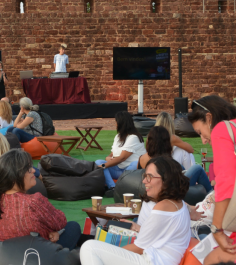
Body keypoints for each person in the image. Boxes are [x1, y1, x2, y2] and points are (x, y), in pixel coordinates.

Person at [80, 156, 191, 265]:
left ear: (166, 180)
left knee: (89, 247)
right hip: (155, 259)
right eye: (145, 176)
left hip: (151, 261)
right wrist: (139, 228)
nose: (144, 181)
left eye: (149, 176)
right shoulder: (178, 203)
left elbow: (139, 247)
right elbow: (163, 236)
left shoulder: (163, 206)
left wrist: (112, 252)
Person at [0, 149, 81, 250]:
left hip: (5, 256)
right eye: (28, 169)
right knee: (73, 227)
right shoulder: (33, 201)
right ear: (14, 177)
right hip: (37, 255)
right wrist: (51, 231)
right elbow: (60, 222)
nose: (33, 170)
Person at [187, 95, 236, 264]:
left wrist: (216, 229)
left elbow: (227, 181)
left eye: (200, 132)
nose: (204, 140)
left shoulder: (222, 129)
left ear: (209, 118)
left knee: (210, 259)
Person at [126, 126, 212, 192]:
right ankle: (212, 195)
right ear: (166, 143)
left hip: (151, 189)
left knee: (182, 168)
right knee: (197, 168)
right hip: (171, 192)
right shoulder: (168, 162)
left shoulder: (141, 158)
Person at [95, 111, 146, 196]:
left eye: (116, 122)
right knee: (98, 162)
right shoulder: (118, 136)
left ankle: (122, 186)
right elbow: (111, 154)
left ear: (122, 123)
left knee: (135, 163)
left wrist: (105, 165)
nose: (116, 125)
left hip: (131, 170)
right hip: (118, 169)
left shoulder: (134, 137)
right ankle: (113, 187)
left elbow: (122, 158)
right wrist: (107, 159)